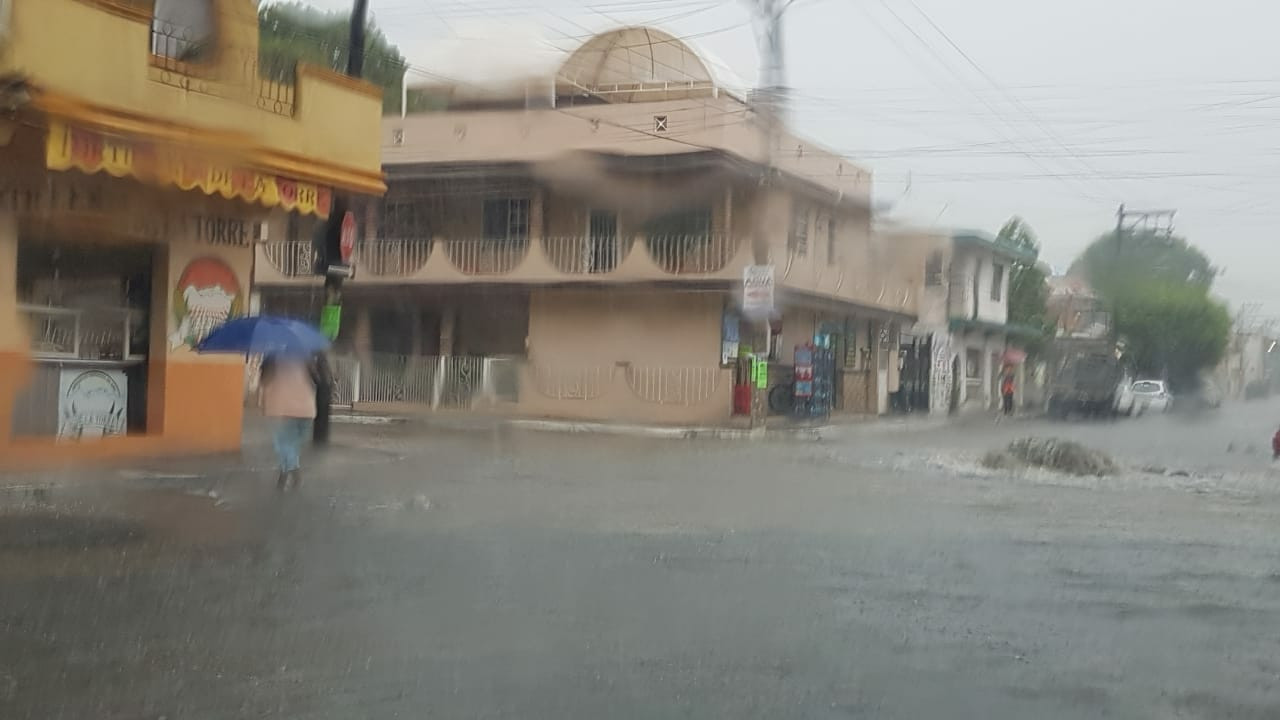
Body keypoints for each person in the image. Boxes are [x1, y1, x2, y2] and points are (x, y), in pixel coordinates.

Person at [259, 354, 317, 490]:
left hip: (280, 409)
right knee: (292, 446)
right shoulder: (306, 358)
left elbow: (264, 382)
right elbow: (316, 380)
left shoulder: (272, 357)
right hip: (306, 410)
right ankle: (285, 475)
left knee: (284, 446)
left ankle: (294, 474)